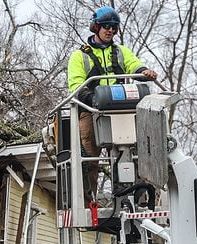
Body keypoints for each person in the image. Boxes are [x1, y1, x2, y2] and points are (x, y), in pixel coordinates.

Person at [66, 6, 157, 203]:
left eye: (114, 28)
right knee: (89, 156)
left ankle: (137, 193)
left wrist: (144, 71)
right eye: (106, 26)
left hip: (120, 109)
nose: (110, 31)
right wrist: (92, 100)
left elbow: (134, 65)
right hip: (90, 110)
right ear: (96, 27)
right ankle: (88, 198)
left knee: (133, 149)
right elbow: (76, 85)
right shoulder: (79, 56)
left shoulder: (121, 51)